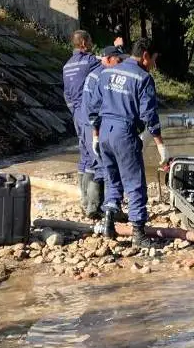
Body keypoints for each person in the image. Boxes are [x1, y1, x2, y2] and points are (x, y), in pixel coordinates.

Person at [88, 37, 167, 247]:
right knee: (134, 184)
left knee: (112, 179)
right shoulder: (143, 78)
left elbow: (93, 108)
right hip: (124, 134)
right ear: (145, 56)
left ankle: (108, 225)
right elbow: (149, 115)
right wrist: (160, 144)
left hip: (105, 133)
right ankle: (138, 234)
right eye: (154, 60)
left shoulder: (106, 73)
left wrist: (95, 135)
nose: (154, 65)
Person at [80, 45, 129, 220]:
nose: (121, 63)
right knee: (106, 167)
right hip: (95, 125)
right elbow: (100, 105)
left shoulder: (94, 73)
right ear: (108, 59)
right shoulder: (103, 75)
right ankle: (104, 209)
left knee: (92, 163)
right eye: (118, 60)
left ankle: (88, 204)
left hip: (86, 123)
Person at [62, 30, 101, 215]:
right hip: (88, 114)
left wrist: (75, 112)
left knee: (84, 157)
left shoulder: (67, 66)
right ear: (84, 43)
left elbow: (67, 95)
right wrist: (118, 49)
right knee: (96, 157)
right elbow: (109, 63)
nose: (92, 44)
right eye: (90, 40)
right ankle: (93, 206)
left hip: (77, 115)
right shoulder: (90, 62)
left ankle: (84, 201)